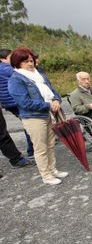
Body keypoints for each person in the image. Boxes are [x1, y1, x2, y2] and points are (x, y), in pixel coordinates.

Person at [8, 47, 68, 185]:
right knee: (40, 148)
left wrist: (57, 100)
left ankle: (53, 169)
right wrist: (49, 105)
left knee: (51, 144)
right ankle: (46, 176)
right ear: (17, 62)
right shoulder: (16, 79)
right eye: (25, 61)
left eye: (31, 60)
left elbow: (53, 91)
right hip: (33, 117)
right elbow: (24, 102)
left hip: (49, 115)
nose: (30, 63)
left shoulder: (40, 75)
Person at [0, 48, 34, 159]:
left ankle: (32, 151)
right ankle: (32, 151)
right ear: (3, 59)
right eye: (11, 58)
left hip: (7, 103)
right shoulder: (8, 69)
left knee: (27, 123)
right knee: (30, 123)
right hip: (16, 101)